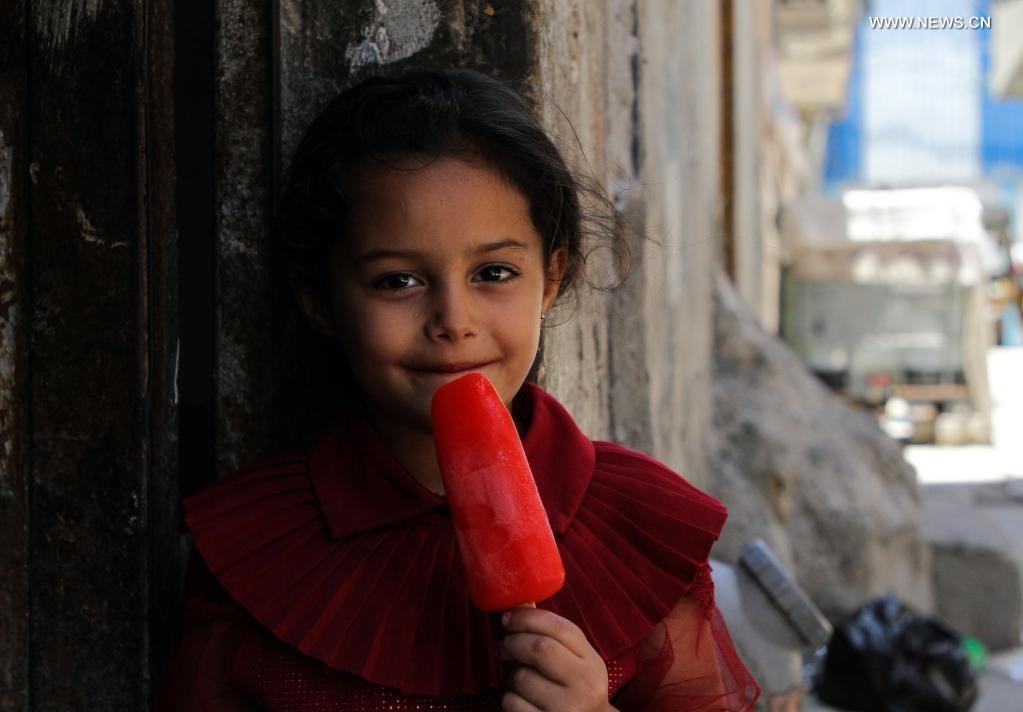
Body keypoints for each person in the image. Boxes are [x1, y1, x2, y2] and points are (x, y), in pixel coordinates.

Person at [154, 68, 760, 711]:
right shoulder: (255, 549)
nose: (453, 320)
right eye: (397, 281)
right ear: (320, 299)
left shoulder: (640, 528)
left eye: (494, 272)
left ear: (552, 278)